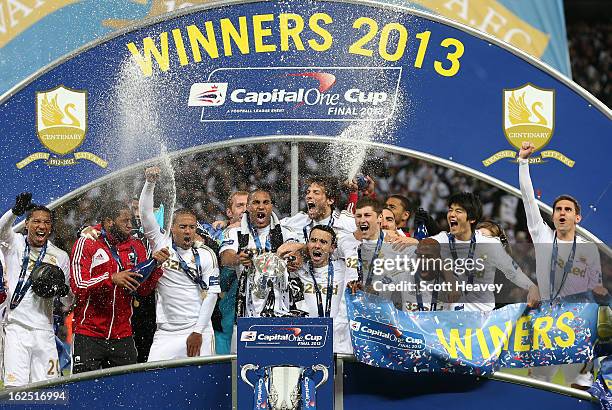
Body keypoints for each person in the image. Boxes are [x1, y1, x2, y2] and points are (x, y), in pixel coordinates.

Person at [518, 141, 606, 389]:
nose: (562, 213)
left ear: (577, 217)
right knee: (537, 385)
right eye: (558, 209)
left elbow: (594, 288)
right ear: (553, 215)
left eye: (568, 209)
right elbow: (527, 200)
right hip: (545, 322)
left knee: (580, 386)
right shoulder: (543, 236)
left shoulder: (589, 249)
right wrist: (523, 162)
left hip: (576, 325)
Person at [70, 200, 168, 373]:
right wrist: (111, 279)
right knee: (84, 392)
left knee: (126, 393)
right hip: (89, 333)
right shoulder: (87, 243)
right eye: (125, 221)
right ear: (109, 221)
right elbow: (78, 285)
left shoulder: (136, 246)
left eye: (131, 220)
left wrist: (155, 268)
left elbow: (142, 290)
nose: (130, 225)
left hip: (122, 334)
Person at [140, 166, 221, 361]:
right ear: (172, 228)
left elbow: (212, 294)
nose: (187, 231)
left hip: (199, 329)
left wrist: (198, 331)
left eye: (192, 227)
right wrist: (150, 183)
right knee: (154, 379)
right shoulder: (160, 243)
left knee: (201, 383)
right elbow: (145, 214)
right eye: (182, 227)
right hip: (166, 332)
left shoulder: (207, 253)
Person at [0, 193, 71, 386]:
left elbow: (68, 301)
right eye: (36, 221)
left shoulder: (60, 256)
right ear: (27, 224)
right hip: (16, 328)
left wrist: (64, 291)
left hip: (45, 332)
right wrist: (15, 212)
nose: (42, 226)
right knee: (15, 390)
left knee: (49, 391)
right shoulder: (14, 243)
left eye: (47, 222)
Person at [429, 192, 540, 312]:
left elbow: (512, 271)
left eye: (458, 211)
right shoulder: (441, 240)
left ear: (472, 219)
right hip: (449, 320)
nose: (452, 214)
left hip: (483, 322)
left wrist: (531, 287)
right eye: (450, 210)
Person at [219, 187, 299, 351]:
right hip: (247, 315)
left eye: (266, 203)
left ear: (271, 207)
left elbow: (297, 252)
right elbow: (225, 257)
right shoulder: (235, 232)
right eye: (256, 203)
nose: (261, 207)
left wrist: (295, 258)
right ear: (248, 207)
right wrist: (238, 258)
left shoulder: (285, 232)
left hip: (281, 314)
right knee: (244, 367)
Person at [283, 225, 349, 353]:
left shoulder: (344, 269)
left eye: (323, 242)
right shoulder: (298, 269)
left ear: (332, 248)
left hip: (338, 343)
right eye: (313, 240)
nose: (317, 246)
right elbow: (280, 253)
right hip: (307, 340)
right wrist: (300, 250)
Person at [281, 176, 355, 243]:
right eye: (308, 192)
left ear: (330, 200)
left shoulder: (345, 222)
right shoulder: (298, 220)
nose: (309, 196)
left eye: (316, 193)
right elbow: (272, 224)